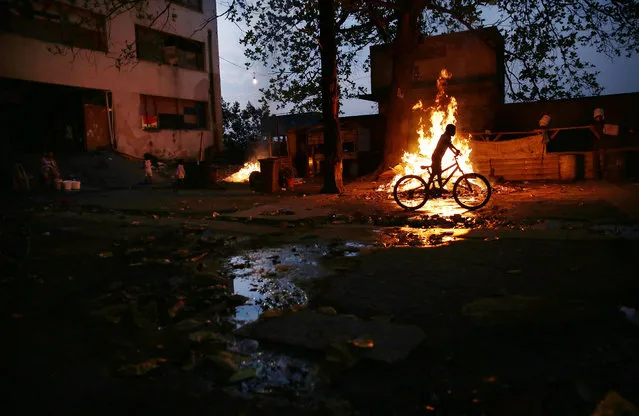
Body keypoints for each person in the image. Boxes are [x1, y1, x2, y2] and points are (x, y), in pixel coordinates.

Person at [431, 124, 460, 188]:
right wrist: (456, 149)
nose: (454, 132)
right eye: (453, 131)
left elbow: (448, 146)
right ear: (449, 131)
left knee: (438, 173)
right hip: (436, 157)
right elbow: (447, 143)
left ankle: (440, 187)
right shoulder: (445, 136)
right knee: (437, 173)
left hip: (438, 157)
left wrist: (454, 152)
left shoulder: (447, 137)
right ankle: (430, 188)